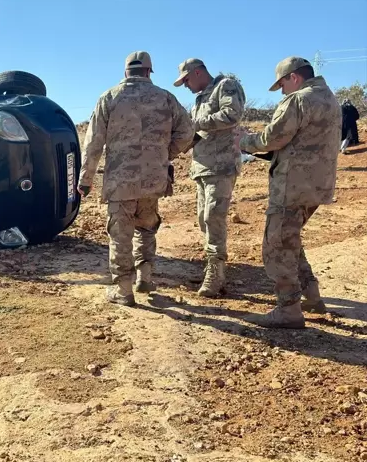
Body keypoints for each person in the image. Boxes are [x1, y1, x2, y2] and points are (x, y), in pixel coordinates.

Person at [78, 51, 194, 306]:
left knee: (121, 234)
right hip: (154, 180)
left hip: (121, 181)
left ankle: (123, 290)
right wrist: (164, 154)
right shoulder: (166, 98)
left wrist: (85, 179)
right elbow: (187, 132)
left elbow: (93, 142)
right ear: (149, 72)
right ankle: (145, 276)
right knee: (146, 227)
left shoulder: (109, 97)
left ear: (125, 71)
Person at [237, 57, 341, 328]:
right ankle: (311, 296)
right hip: (317, 186)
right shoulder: (330, 98)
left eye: (282, 84)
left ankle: (288, 310)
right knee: (290, 238)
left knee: (277, 245)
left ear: (294, 78)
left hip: (292, 186)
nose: (282, 90)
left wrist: (244, 141)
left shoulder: (298, 100)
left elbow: (272, 138)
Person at [174, 59, 246, 297]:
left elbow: (232, 114)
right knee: (203, 220)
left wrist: (195, 122)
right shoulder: (199, 99)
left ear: (197, 73)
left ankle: (215, 274)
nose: (185, 85)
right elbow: (198, 134)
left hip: (222, 165)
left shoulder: (225, 86)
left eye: (186, 80)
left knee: (213, 217)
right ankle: (214, 268)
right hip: (202, 168)